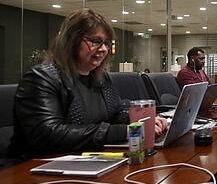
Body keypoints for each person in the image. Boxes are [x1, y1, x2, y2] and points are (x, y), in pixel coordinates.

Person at [10, 9, 168, 158]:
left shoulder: (100, 77)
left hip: (88, 159)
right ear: (71, 40)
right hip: (40, 169)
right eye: (95, 41)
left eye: (107, 43)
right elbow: (48, 134)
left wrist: (142, 120)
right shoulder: (41, 77)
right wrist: (124, 131)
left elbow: (117, 111)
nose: (104, 49)